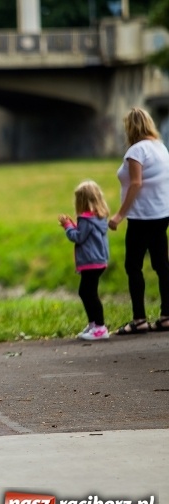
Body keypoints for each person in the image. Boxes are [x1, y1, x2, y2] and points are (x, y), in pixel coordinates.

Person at [108, 107, 169, 334]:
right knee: (162, 266)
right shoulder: (160, 148)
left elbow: (136, 183)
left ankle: (139, 319)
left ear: (130, 126)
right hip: (162, 215)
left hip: (141, 216)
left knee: (133, 266)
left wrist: (119, 215)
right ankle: (166, 316)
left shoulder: (136, 151)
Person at [59, 181, 110, 340]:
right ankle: (93, 324)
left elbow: (78, 237)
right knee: (86, 292)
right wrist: (74, 225)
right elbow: (84, 234)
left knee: (89, 293)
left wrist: (67, 226)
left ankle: (100, 327)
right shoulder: (98, 218)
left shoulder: (86, 219)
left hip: (90, 262)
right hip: (99, 261)